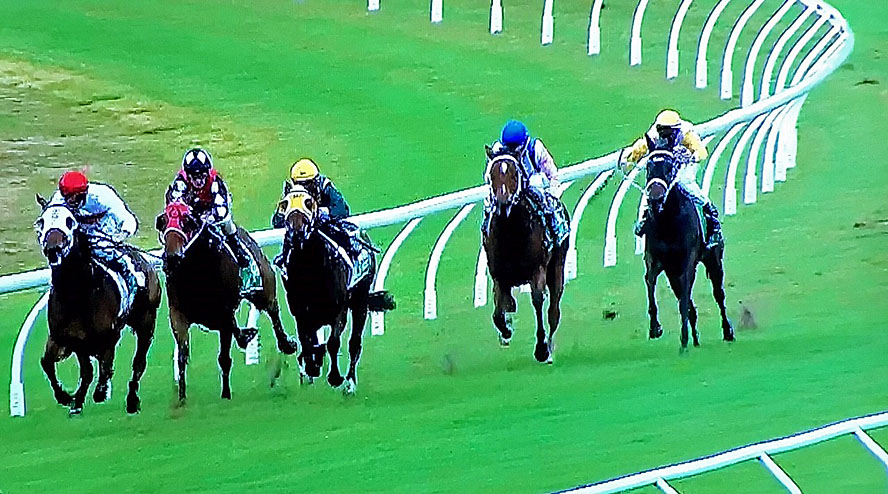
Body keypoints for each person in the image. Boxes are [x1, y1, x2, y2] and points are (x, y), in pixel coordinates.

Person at [624, 109, 724, 249]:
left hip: (686, 163)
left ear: (676, 129)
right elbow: (640, 148)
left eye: (668, 131)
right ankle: (646, 216)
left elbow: (702, 152)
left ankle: (712, 219)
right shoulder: (654, 134)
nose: (665, 135)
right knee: (655, 182)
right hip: (667, 163)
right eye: (662, 131)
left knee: (684, 183)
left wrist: (691, 157)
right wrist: (628, 160)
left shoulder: (686, 133)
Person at [165, 148, 258, 290]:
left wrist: (208, 218)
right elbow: (175, 203)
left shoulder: (215, 182)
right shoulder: (180, 181)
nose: (198, 181)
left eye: (201, 176)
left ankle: (240, 255)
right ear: (187, 175)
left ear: (207, 173)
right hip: (192, 211)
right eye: (194, 176)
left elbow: (221, 211)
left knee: (227, 224)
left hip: (215, 209)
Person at [47, 170, 144, 293]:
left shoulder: (103, 195)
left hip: (104, 228)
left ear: (84, 193)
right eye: (67, 197)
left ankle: (132, 274)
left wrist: (120, 235)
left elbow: (127, 218)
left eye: (74, 197)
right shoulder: (58, 199)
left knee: (105, 251)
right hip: (78, 230)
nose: (70, 201)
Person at [271, 159, 364, 275]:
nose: (303, 188)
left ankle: (352, 256)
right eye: (299, 184)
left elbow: (342, 209)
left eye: (308, 184)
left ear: (316, 181)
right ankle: (285, 261)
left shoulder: (325, 186)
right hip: (301, 232)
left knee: (340, 233)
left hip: (325, 227)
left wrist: (323, 213)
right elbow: (277, 221)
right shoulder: (289, 193)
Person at [486, 120, 566, 247]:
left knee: (538, 185)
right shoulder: (497, 151)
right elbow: (488, 177)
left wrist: (552, 195)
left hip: (530, 186)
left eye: (515, 149)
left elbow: (553, 174)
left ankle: (556, 228)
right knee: (489, 206)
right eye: (509, 149)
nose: (512, 152)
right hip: (509, 189)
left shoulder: (535, 149)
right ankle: (486, 233)